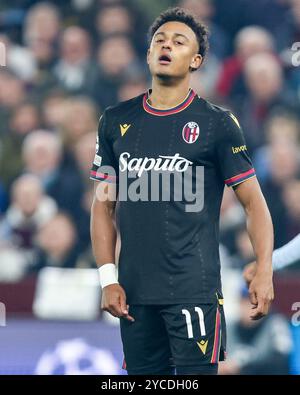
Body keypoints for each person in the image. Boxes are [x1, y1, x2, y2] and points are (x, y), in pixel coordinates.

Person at [90, 7, 274, 375]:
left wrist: (265, 269)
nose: (166, 46)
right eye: (159, 40)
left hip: (194, 291)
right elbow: (102, 207)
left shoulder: (217, 124)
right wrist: (108, 279)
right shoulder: (115, 121)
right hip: (135, 295)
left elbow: (254, 205)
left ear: (197, 60)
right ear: (147, 54)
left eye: (179, 41)